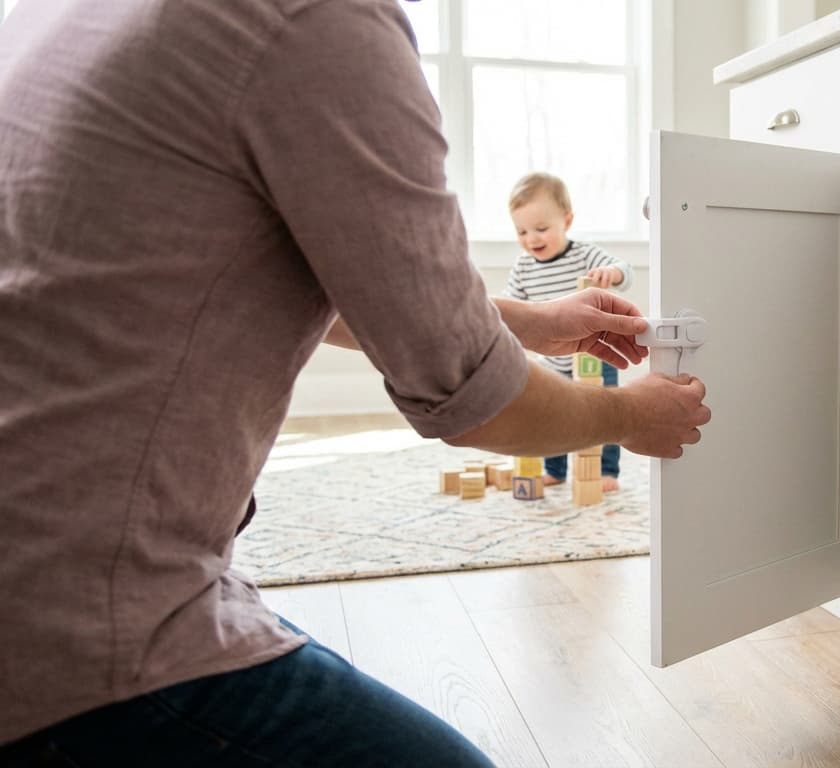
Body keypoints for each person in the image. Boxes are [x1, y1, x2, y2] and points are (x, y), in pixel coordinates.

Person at [0, 1, 710, 766]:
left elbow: (327, 276)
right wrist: (628, 415)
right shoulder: (316, 22)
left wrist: (534, 324)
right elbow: (478, 402)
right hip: (78, 628)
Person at [505, 172, 631, 492]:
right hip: (550, 359)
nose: (532, 238)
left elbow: (625, 272)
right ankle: (555, 468)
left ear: (567, 220)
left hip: (593, 352)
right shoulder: (522, 267)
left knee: (603, 410)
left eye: (541, 229)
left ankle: (606, 472)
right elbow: (513, 313)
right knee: (552, 414)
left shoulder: (584, 254)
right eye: (522, 231)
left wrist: (610, 273)